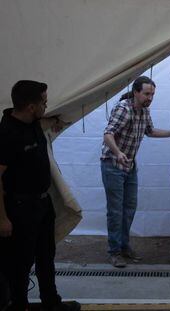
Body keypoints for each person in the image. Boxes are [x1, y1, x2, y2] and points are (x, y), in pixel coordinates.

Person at [0, 80, 80, 311]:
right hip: (19, 208)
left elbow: (45, 121)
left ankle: (51, 302)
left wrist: (54, 122)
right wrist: (2, 218)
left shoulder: (33, 122)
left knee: (46, 257)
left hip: (42, 205)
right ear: (31, 107)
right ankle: (19, 305)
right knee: (21, 262)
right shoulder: (7, 134)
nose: (47, 105)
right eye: (44, 102)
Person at [101, 76, 170, 268]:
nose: (150, 97)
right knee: (116, 211)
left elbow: (150, 131)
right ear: (136, 92)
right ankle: (115, 251)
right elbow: (108, 134)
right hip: (113, 165)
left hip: (130, 166)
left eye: (152, 94)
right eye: (146, 94)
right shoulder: (123, 109)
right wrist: (117, 153)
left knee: (129, 209)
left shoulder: (144, 111)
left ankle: (124, 246)